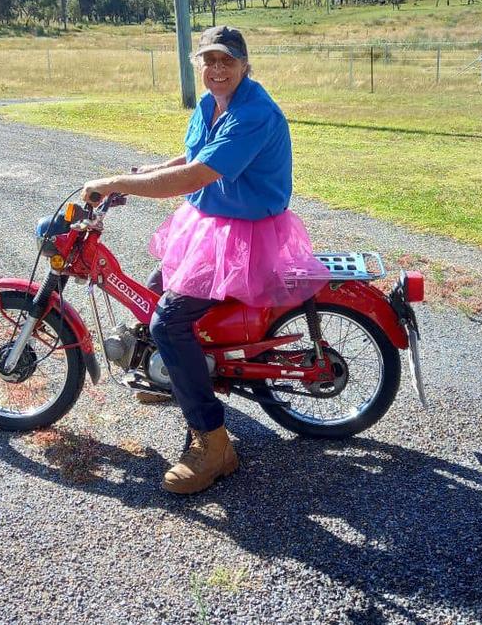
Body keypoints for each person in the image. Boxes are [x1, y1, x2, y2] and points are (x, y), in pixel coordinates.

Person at [82, 25, 329, 494]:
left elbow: (197, 174)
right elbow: (193, 155)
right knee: (153, 293)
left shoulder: (253, 112)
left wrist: (117, 183)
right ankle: (176, 374)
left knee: (168, 322)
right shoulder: (211, 103)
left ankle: (214, 446)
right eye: (209, 61)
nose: (217, 70)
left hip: (244, 235)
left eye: (227, 61)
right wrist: (144, 173)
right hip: (211, 224)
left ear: (244, 65)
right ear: (200, 65)